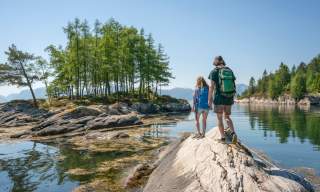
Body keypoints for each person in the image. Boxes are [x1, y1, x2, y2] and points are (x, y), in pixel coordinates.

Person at [208, 56, 237, 143]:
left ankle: (223, 138)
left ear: (217, 61)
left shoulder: (214, 71)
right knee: (227, 117)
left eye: (214, 60)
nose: (213, 61)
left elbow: (211, 87)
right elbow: (233, 84)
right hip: (229, 97)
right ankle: (233, 133)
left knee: (219, 118)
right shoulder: (229, 70)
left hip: (219, 98)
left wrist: (209, 100)